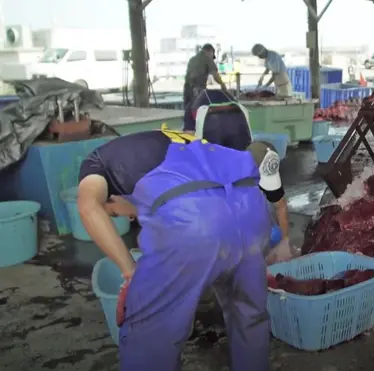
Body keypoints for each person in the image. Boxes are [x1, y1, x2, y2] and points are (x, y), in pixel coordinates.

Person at [76, 125, 290, 371]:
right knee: (249, 317)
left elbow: (87, 207)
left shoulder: (96, 163)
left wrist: (129, 270)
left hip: (195, 222)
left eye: (113, 214)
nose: (129, 218)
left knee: (149, 337)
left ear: (110, 197)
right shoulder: (172, 139)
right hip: (253, 211)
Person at [183, 44, 229, 128]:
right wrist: (223, 85)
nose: (212, 57)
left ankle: (187, 129)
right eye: (212, 55)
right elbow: (214, 74)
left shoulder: (192, 59)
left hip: (187, 88)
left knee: (188, 110)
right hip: (197, 88)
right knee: (198, 110)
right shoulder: (207, 58)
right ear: (210, 51)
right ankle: (198, 130)